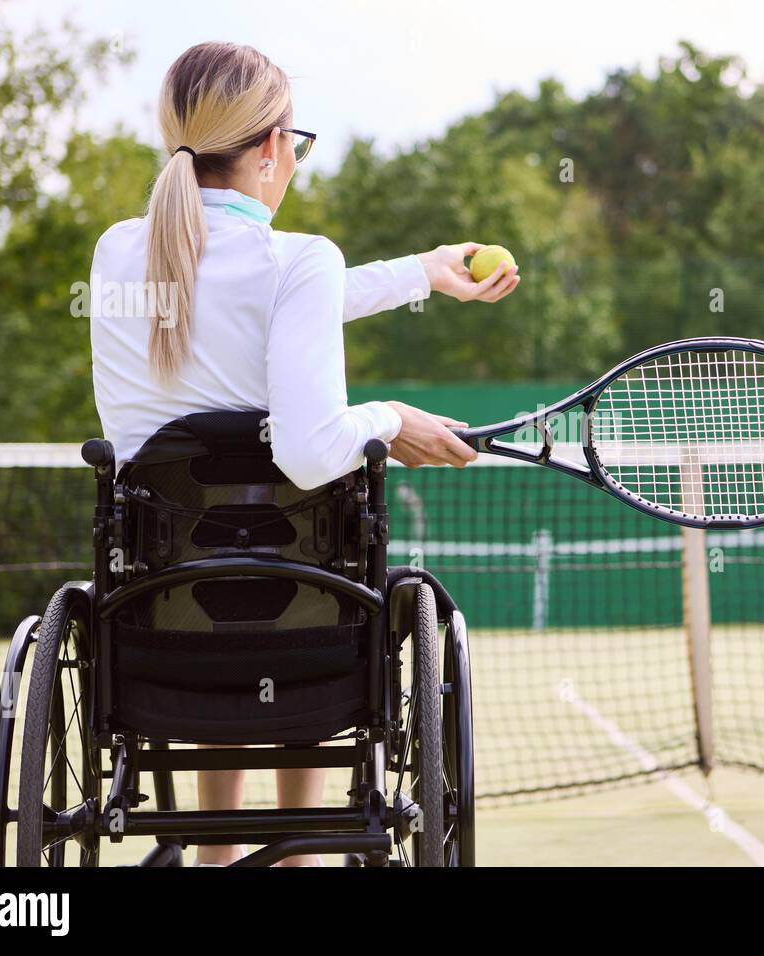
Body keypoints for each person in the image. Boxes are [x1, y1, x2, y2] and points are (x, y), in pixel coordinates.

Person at [88, 42, 519, 864]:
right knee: (305, 550)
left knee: (226, 562)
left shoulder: (116, 256)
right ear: (270, 150)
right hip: (305, 626)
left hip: (158, 624)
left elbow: (269, 295)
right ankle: (299, 849)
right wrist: (389, 417)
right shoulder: (299, 262)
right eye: (298, 143)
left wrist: (424, 272)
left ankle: (213, 855)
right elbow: (314, 449)